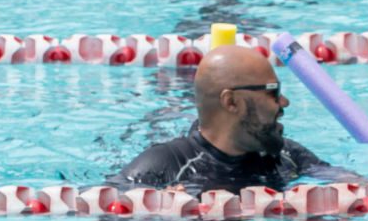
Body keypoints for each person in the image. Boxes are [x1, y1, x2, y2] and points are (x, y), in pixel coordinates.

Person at [112, 46, 355, 196]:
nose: (284, 102)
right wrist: (157, 212)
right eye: (273, 92)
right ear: (231, 102)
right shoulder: (165, 166)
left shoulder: (287, 155)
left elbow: (352, 184)